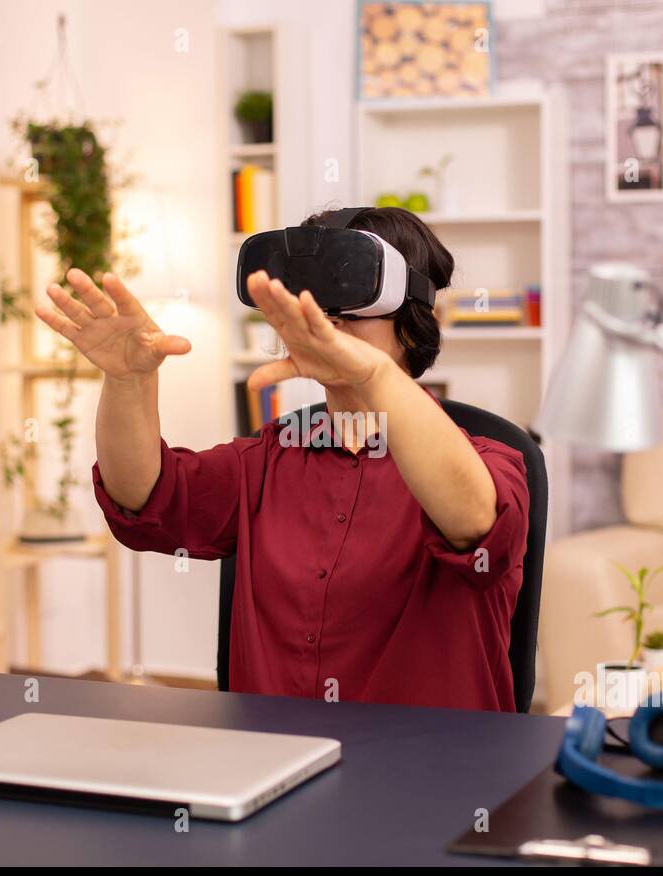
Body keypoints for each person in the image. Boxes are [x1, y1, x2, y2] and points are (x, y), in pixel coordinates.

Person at [35, 207, 530, 711]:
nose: (326, 317)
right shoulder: (268, 459)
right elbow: (142, 496)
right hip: (273, 764)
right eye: (312, 296)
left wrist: (376, 378)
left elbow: (473, 522)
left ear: (411, 322)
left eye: (350, 288)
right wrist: (128, 381)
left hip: (428, 774)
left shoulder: (492, 462)